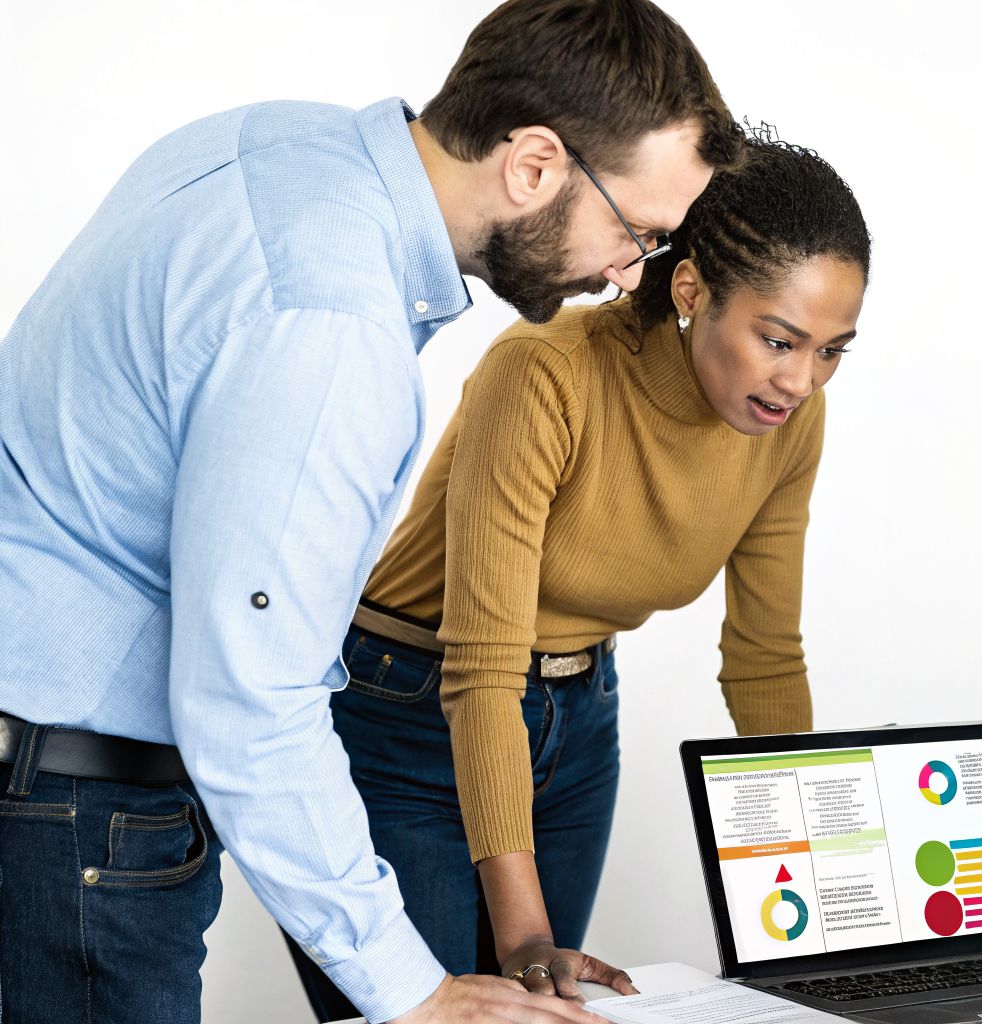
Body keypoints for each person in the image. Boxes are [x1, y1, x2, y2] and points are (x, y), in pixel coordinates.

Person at [0, 1, 742, 1020]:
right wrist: (418, 991)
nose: (628, 276)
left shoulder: (280, 142)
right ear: (531, 164)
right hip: (74, 812)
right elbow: (249, 701)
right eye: (637, 233)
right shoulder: (331, 321)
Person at [284, 136, 871, 1019]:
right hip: (407, 710)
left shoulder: (791, 420)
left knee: (548, 1012)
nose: (801, 379)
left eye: (833, 351)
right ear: (690, 290)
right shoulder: (545, 373)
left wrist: (816, 893)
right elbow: (482, 665)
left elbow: (764, 657)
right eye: (780, 339)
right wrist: (523, 937)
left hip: (579, 718)